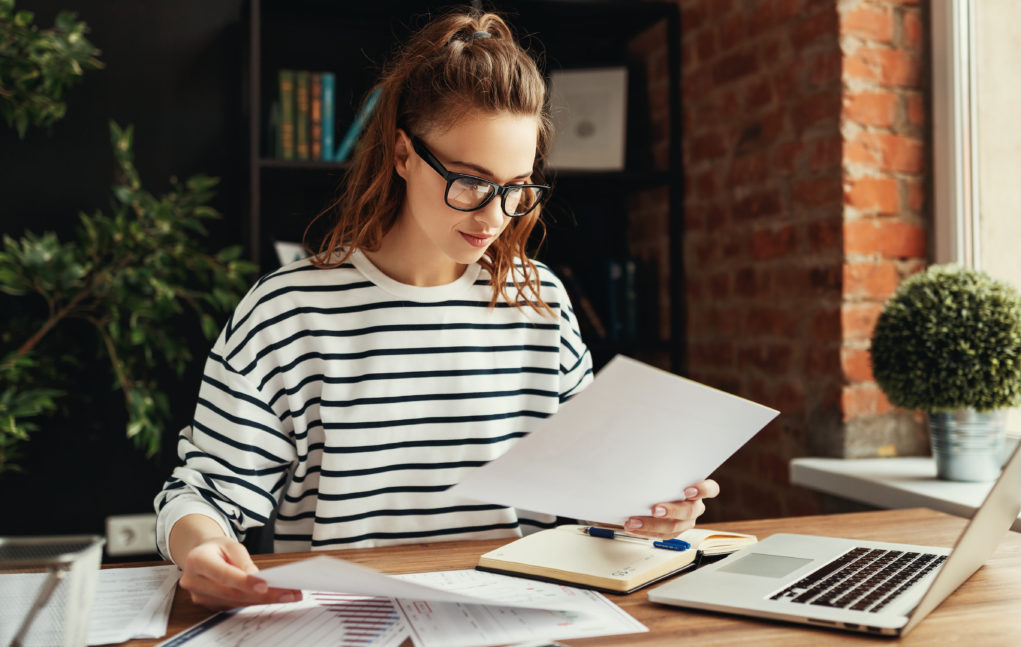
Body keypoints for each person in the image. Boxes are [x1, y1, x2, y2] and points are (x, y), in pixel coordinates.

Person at [154, 9, 720, 610]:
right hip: (346, 622)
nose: (496, 216)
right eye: (471, 181)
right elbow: (203, 492)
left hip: (515, 618)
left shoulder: (541, 301)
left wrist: (650, 508)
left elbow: (594, 492)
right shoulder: (287, 311)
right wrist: (201, 550)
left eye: (517, 187)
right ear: (402, 153)